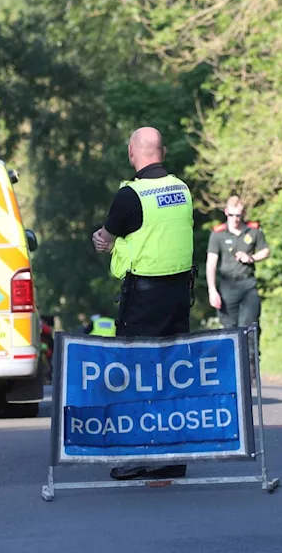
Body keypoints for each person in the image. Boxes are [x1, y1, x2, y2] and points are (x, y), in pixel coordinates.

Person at [91, 126, 195, 481]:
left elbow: (107, 237)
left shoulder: (130, 195)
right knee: (174, 374)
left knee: (138, 376)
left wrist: (103, 242)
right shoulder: (182, 190)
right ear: (162, 153)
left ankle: (141, 455)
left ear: (132, 153)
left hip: (144, 298)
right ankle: (173, 458)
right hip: (180, 296)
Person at [206, 195, 269, 331]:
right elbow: (211, 264)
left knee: (250, 328)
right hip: (227, 287)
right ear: (226, 212)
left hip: (248, 284)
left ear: (243, 214)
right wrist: (212, 290)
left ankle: (252, 353)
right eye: (232, 215)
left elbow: (265, 251)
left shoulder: (253, 230)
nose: (235, 219)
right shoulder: (218, 234)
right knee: (229, 329)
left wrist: (251, 258)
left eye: (238, 215)